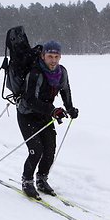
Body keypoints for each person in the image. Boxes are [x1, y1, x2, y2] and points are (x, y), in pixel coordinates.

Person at [17, 40, 79, 200]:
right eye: (50, 56)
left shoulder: (62, 72)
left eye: (56, 57)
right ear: (43, 56)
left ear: (60, 57)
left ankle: (42, 179)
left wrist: (70, 108)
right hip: (27, 114)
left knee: (50, 149)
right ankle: (27, 181)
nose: (53, 60)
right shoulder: (36, 73)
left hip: (45, 115)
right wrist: (52, 110)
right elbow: (30, 100)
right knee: (36, 150)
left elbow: (65, 90)